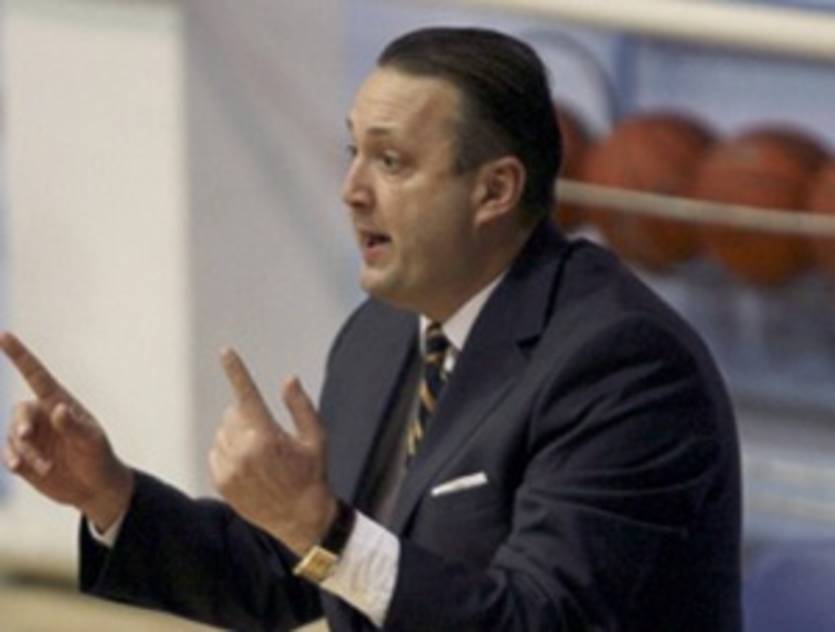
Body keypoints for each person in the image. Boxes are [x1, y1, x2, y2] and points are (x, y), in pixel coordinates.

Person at [1, 27, 741, 631]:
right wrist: (109, 494)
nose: (351, 190)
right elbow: (292, 574)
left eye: (390, 161)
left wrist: (321, 530)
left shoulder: (622, 366)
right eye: (352, 151)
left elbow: (536, 620)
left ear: (494, 189)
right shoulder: (381, 334)